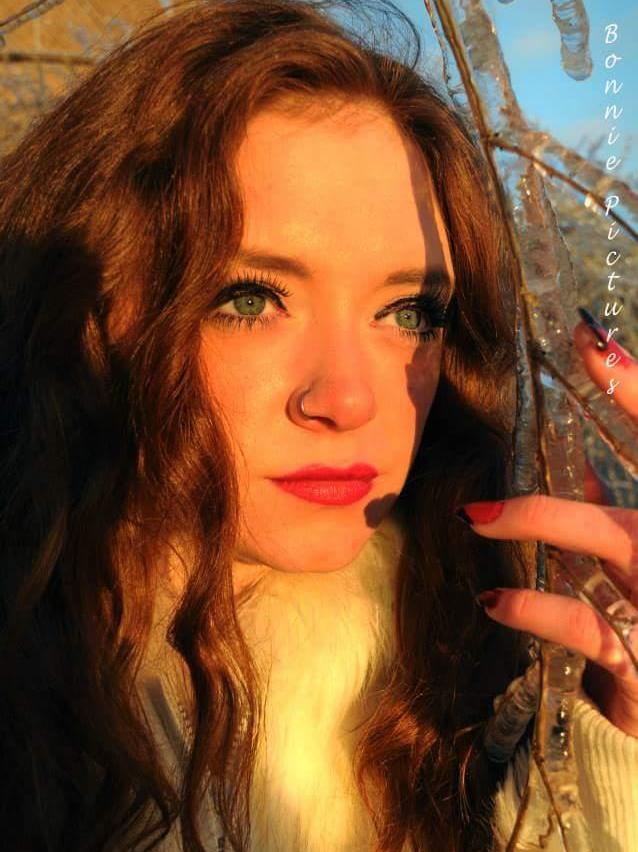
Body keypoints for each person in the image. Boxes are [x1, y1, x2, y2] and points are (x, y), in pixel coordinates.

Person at [1, 1, 636, 850]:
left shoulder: (477, 671)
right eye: (249, 298)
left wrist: (620, 736)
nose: (349, 401)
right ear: (86, 315)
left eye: (409, 313)